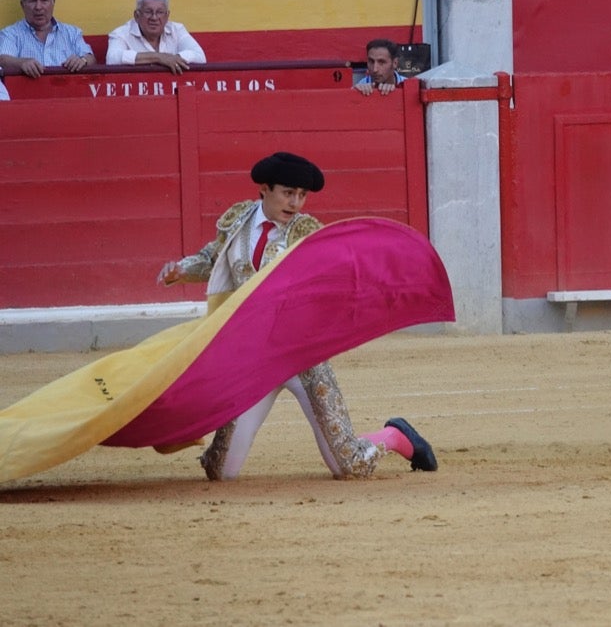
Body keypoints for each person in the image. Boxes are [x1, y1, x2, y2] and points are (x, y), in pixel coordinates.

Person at [156, 151, 438, 480]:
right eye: (288, 193)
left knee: (350, 465)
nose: (296, 203)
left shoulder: (308, 234)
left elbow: (341, 281)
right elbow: (212, 258)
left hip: (303, 357)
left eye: (302, 195)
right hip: (256, 360)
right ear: (265, 188)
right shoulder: (238, 222)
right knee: (221, 471)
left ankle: (396, 436)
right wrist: (180, 270)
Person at [0, 0, 95, 79]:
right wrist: (21, 63)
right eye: (32, 1)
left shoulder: (72, 32)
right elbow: (3, 59)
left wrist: (82, 61)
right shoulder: (10, 34)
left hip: (66, 92)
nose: (38, 7)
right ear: (22, 5)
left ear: (53, 2)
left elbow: (90, 58)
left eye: (44, 0)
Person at [106, 0, 205, 73]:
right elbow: (112, 59)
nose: (154, 17)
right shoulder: (120, 33)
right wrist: (159, 58)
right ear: (137, 16)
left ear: (167, 16)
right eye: (148, 12)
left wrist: (173, 58)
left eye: (160, 12)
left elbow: (200, 56)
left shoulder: (177, 29)